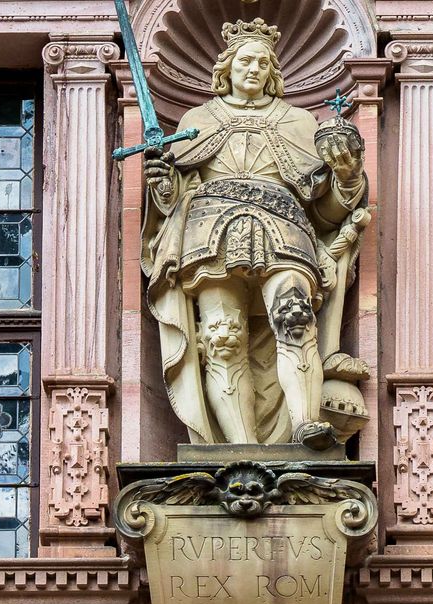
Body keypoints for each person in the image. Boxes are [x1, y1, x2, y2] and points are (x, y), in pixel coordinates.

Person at [141, 17, 367, 449]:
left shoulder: (299, 121)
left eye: (262, 62)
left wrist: (347, 173)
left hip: (285, 229)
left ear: (273, 71)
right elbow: (171, 201)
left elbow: (328, 212)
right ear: (227, 67)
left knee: (295, 317)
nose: (254, 69)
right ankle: (237, 447)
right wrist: (161, 182)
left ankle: (304, 423)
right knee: (222, 338)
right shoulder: (197, 118)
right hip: (210, 233)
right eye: (245, 60)